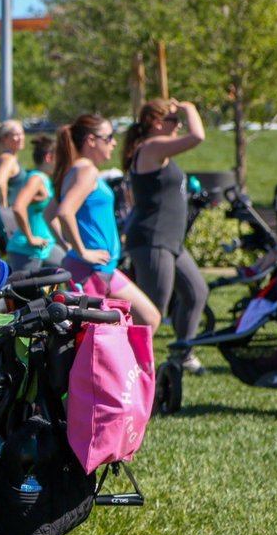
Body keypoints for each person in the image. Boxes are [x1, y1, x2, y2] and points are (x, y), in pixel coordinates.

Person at [49, 115, 161, 330]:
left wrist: (68, 247)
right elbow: (63, 212)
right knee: (91, 340)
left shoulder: (74, 172)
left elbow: (49, 214)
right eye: (108, 137)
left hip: (102, 268)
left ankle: (126, 363)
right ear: (91, 140)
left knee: (149, 319)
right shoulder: (86, 171)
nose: (114, 142)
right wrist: (81, 251)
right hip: (89, 269)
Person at [122, 98, 209, 369]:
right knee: (152, 313)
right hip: (153, 240)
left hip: (170, 241)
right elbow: (197, 136)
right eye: (175, 120)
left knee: (196, 292)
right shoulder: (150, 147)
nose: (179, 124)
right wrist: (190, 108)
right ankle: (129, 366)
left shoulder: (160, 152)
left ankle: (183, 355)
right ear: (157, 123)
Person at [6, 136, 65, 273]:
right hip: (28, 250)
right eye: (61, 158)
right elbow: (18, 207)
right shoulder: (36, 178)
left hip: (46, 246)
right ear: (49, 157)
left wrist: (65, 243)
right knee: (26, 294)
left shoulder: (45, 180)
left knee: (70, 269)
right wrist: (31, 238)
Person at [0, 120, 27, 247]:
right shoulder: (8, 159)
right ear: (4, 139)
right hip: (6, 220)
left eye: (22, 134)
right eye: (15, 135)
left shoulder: (7, 157)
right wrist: (5, 209)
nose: (20, 138)